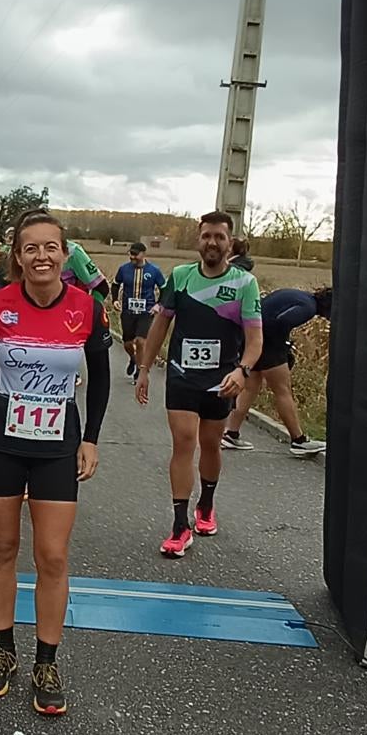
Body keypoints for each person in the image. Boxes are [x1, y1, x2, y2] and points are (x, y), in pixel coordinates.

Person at [0, 210, 111, 716]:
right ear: (17, 256)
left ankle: (46, 660)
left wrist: (90, 439)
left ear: (65, 253)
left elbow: (100, 376)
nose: (42, 256)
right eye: (31, 248)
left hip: (56, 447)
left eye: (51, 247)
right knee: (2, 548)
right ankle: (3, 649)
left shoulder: (86, 308)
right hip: (1, 445)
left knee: (52, 555)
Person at [136, 211, 262, 558]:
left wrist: (242, 371)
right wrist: (144, 367)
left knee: (210, 443)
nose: (212, 242)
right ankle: (180, 525)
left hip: (221, 380)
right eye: (206, 236)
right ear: (199, 240)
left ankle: (206, 504)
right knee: (183, 443)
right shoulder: (180, 277)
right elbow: (161, 324)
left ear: (230, 242)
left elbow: (255, 339)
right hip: (182, 375)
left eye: (219, 237)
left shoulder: (244, 284)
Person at [224, 287, 330, 455]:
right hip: (268, 344)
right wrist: (284, 346)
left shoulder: (300, 295)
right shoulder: (309, 308)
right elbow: (281, 322)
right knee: (282, 390)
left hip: (250, 337)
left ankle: (230, 433)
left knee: (251, 388)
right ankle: (298, 441)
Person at [111, 242, 167, 380]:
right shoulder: (124, 269)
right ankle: (133, 358)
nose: (132, 257)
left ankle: (139, 370)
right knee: (128, 343)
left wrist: (158, 305)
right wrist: (115, 300)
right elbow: (115, 284)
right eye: (131, 254)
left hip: (146, 312)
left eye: (135, 254)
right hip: (128, 311)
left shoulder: (154, 270)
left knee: (141, 341)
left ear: (143, 254)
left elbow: (165, 289)